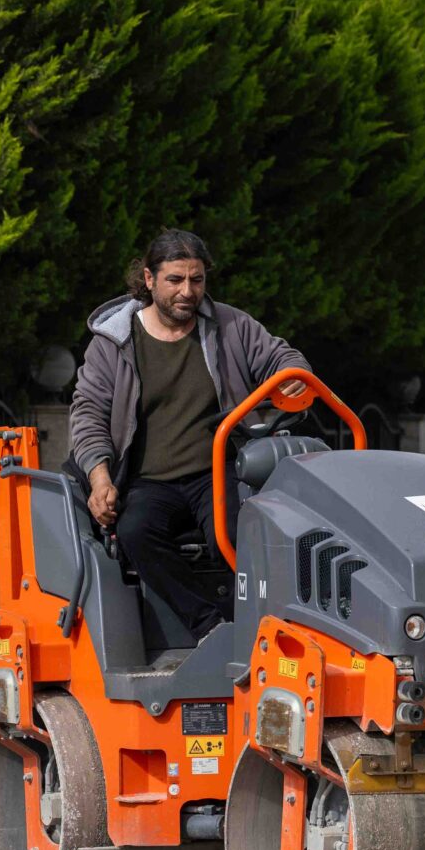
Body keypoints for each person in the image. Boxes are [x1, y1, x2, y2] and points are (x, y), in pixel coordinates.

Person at [69, 229, 305, 638]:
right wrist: (100, 478)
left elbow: (282, 357)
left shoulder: (232, 325)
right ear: (149, 279)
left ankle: (262, 629)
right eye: (175, 280)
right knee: (134, 532)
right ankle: (210, 625)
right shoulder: (112, 342)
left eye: (196, 280)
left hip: (214, 473)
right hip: (146, 482)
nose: (187, 291)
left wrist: (293, 378)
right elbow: (89, 412)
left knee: (238, 533)